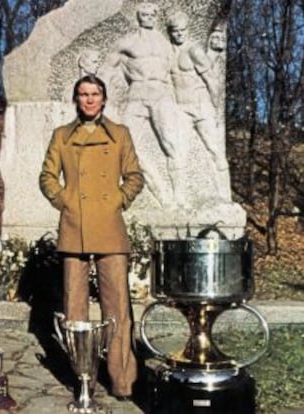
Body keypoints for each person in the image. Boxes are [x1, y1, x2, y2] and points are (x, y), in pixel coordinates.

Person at [39, 75, 144, 399]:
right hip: (74, 228)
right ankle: (81, 377)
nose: (89, 100)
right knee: (74, 310)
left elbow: (135, 177)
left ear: (103, 98)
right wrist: (65, 201)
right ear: (76, 99)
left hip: (110, 229)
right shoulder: (61, 136)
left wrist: (118, 200)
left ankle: (123, 381)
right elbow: (46, 176)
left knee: (118, 311)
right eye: (83, 94)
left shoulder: (120, 135)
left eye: (95, 94)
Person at [98, 2, 186, 207]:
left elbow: (178, 73)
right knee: (127, 146)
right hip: (137, 95)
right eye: (144, 14)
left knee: (172, 144)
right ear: (138, 17)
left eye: (152, 14)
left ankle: (179, 196)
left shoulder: (166, 43)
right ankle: (160, 189)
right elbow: (106, 70)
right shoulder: (127, 42)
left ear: (156, 16)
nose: (149, 17)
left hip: (161, 95)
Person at [167, 12, 231, 200]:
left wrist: (215, 109)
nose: (179, 34)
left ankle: (225, 196)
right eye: (175, 31)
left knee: (215, 150)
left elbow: (212, 80)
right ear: (170, 32)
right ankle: (178, 199)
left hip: (201, 107)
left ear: (188, 30)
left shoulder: (194, 51)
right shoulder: (168, 53)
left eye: (182, 30)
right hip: (181, 110)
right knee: (177, 152)